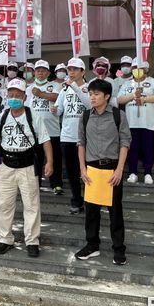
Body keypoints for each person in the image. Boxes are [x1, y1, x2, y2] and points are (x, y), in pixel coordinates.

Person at [0, 79, 53, 257]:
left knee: (32, 205)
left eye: (18, 95)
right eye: (11, 95)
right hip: (6, 166)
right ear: (6, 96)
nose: (14, 98)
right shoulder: (1, 118)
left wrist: (50, 162)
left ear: (25, 97)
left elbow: (45, 140)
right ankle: (4, 239)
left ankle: (32, 241)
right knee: (4, 205)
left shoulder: (33, 116)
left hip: (28, 166)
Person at [75, 79, 130, 265]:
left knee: (115, 211)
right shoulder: (85, 116)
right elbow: (81, 143)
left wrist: (120, 170)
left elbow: (125, 143)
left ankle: (119, 249)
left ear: (107, 96)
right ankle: (92, 245)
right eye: (90, 94)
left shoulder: (118, 115)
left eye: (96, 94)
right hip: (91, 170)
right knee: (91, 211)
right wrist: (82, 168)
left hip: (112, 169)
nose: (92, 97)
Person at [53, 57, 91, 214]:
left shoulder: (90, 87)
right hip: (67, 136)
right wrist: (55, 110)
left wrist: (75, 87)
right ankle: (76, 200)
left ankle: (91, 200)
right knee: (72, 172)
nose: (72, 72)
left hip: (86, 137)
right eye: (70, 69)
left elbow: (89, 105)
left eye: (75, 69)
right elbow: (60, 109)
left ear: (83, 71)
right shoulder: (64, 89)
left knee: (88, 171)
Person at [117, 58, 154, 185]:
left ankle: (148, 173)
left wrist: (144, 99)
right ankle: (133, 172)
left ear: (146, 70)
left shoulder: (152, 82)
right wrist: (132, 96)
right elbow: (119, 99)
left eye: (140, 68)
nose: (137, 70)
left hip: (147, 123)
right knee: (132, 148)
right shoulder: (127, 84)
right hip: (131, 123)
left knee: (148, 148)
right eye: (135, 68)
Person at [28, 60, 63, 195]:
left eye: (43, 70)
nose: (40, 73)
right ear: (34, 72)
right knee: (36, 160)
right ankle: (36, 184)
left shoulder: (55, 85)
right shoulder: (28, 88)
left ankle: (56, 184)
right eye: (38, 70)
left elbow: (58, 97)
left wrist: (41, 94)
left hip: (52, 130)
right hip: (34, 132)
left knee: (54, 158)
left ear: (48, 72)